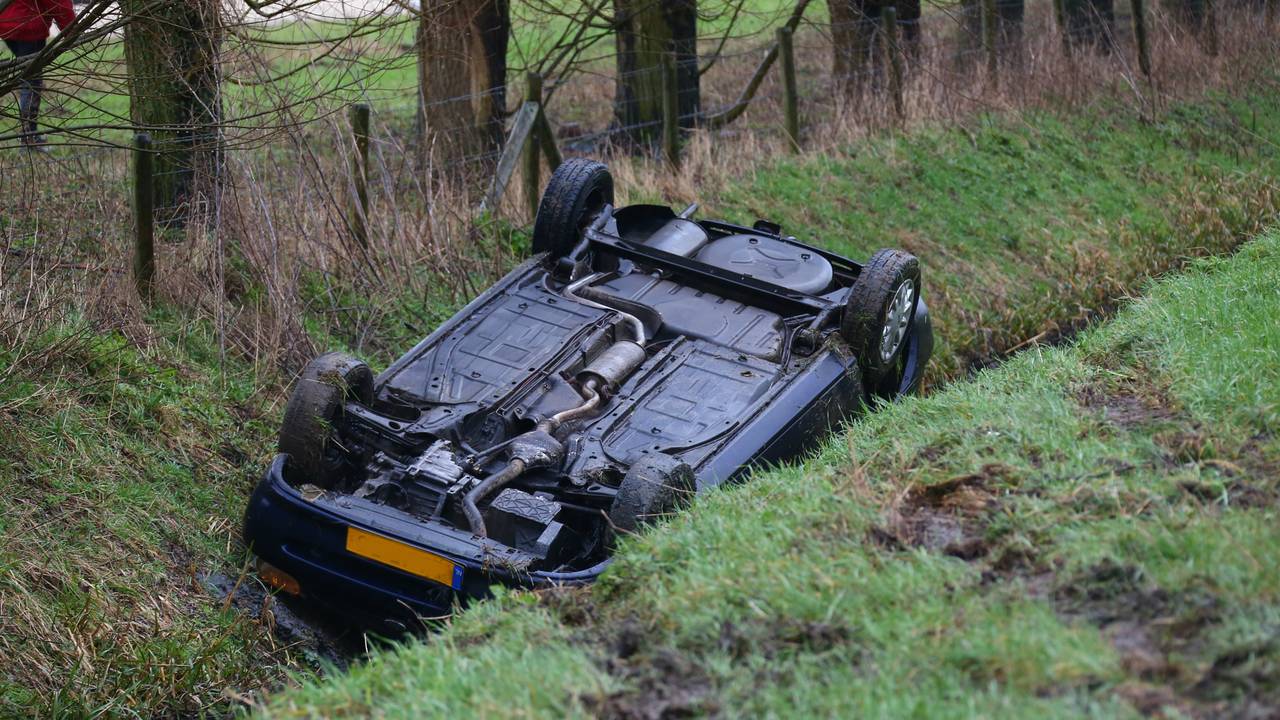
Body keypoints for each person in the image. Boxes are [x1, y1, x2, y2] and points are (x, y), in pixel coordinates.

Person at [0, 0, 75, 149]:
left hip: (8, 23)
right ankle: (29, 138)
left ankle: (29, 136)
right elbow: (58, 3)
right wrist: (73, 31)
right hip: (28, 27)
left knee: (29, 80)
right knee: (31, 83)